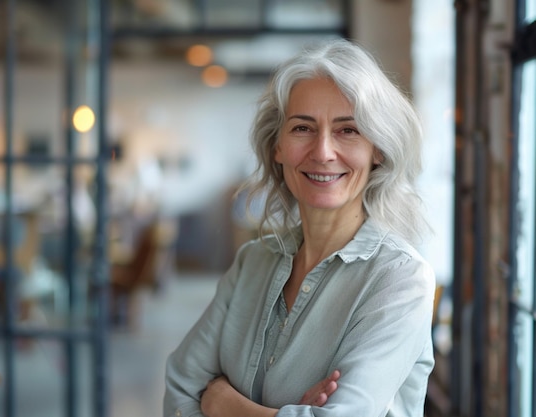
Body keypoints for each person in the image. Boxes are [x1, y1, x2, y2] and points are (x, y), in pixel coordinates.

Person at [164, 38, 436, 417]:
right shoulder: (252, 262)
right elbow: (179, 386)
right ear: (277, 146)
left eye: (348, 130)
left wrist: (222, 402)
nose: (323, 151)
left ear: (378, 149)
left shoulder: (400, 279)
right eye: (302, 128)